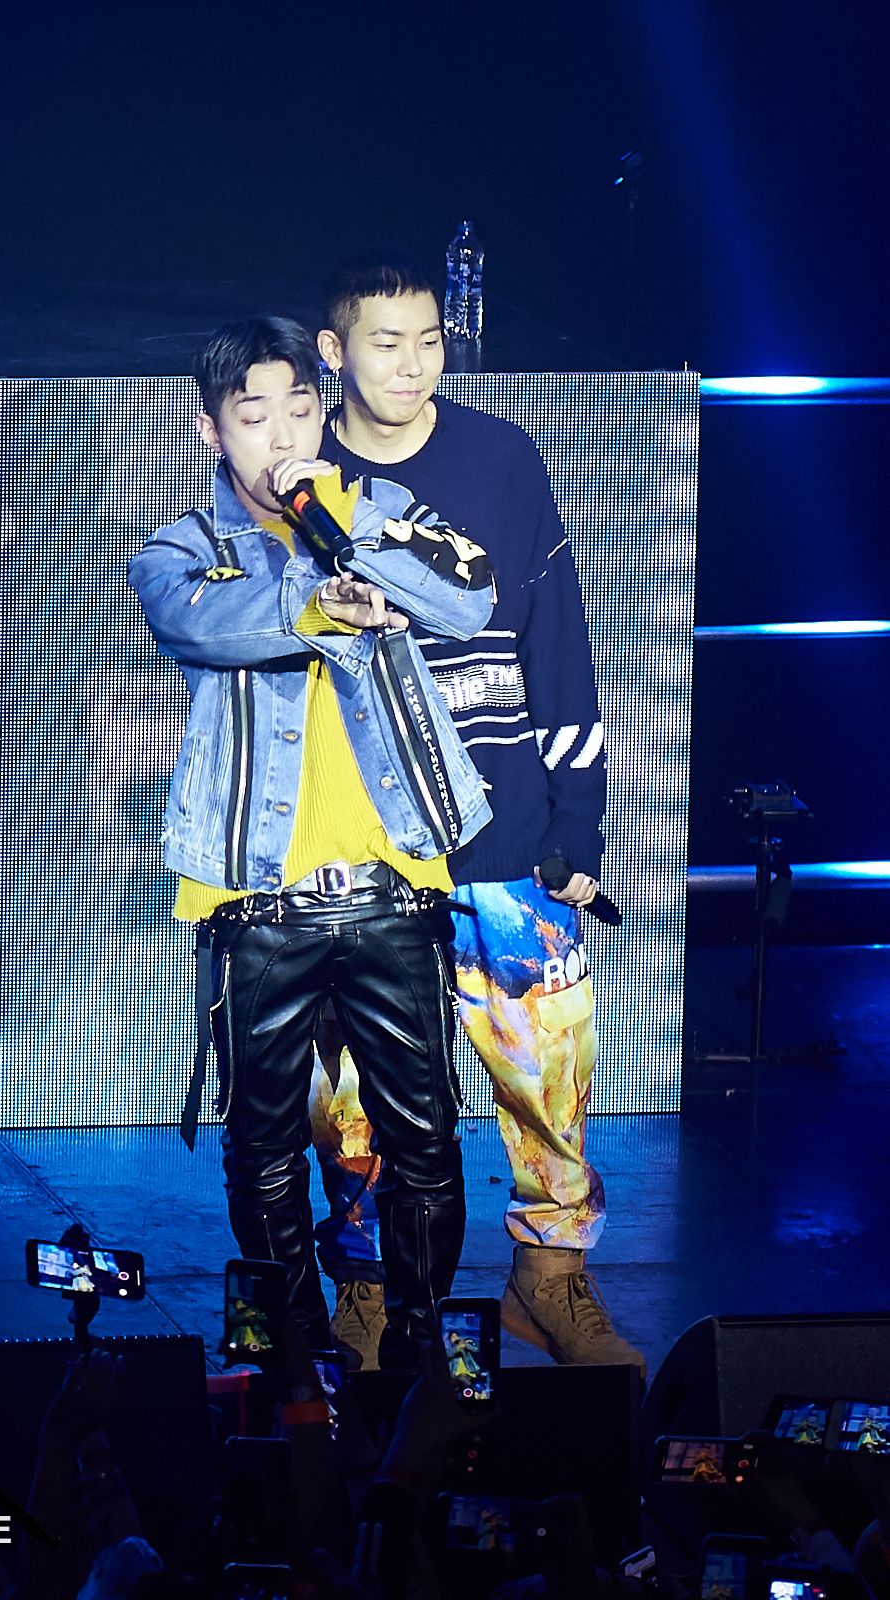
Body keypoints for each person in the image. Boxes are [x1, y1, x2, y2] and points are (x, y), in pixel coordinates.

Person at [128, 316, 496, 1354]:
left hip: (392, 886)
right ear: (211, 430)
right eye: (255, 415)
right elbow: (203, 622)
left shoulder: (377, 513)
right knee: (262, 1148)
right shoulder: (179, 551)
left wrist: (349, 524)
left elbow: (469, 594)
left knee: (426, 1139)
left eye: (300, 408)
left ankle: (419, 1349)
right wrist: (324, 600)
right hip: (259, 902)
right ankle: (292, 1356)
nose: (284, 432)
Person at [310, 250, 646, 1379]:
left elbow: (558, 642)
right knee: (352, 1090)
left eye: (429, 340)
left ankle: (549, 1280)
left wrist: (578, 819)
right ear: (334, 351)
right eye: (385, 343)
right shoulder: (305, 479)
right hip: (364, 850)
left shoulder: (503, 456)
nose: (412, 364)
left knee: (547, 1074)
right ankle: (366, 1290)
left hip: (507, 838)